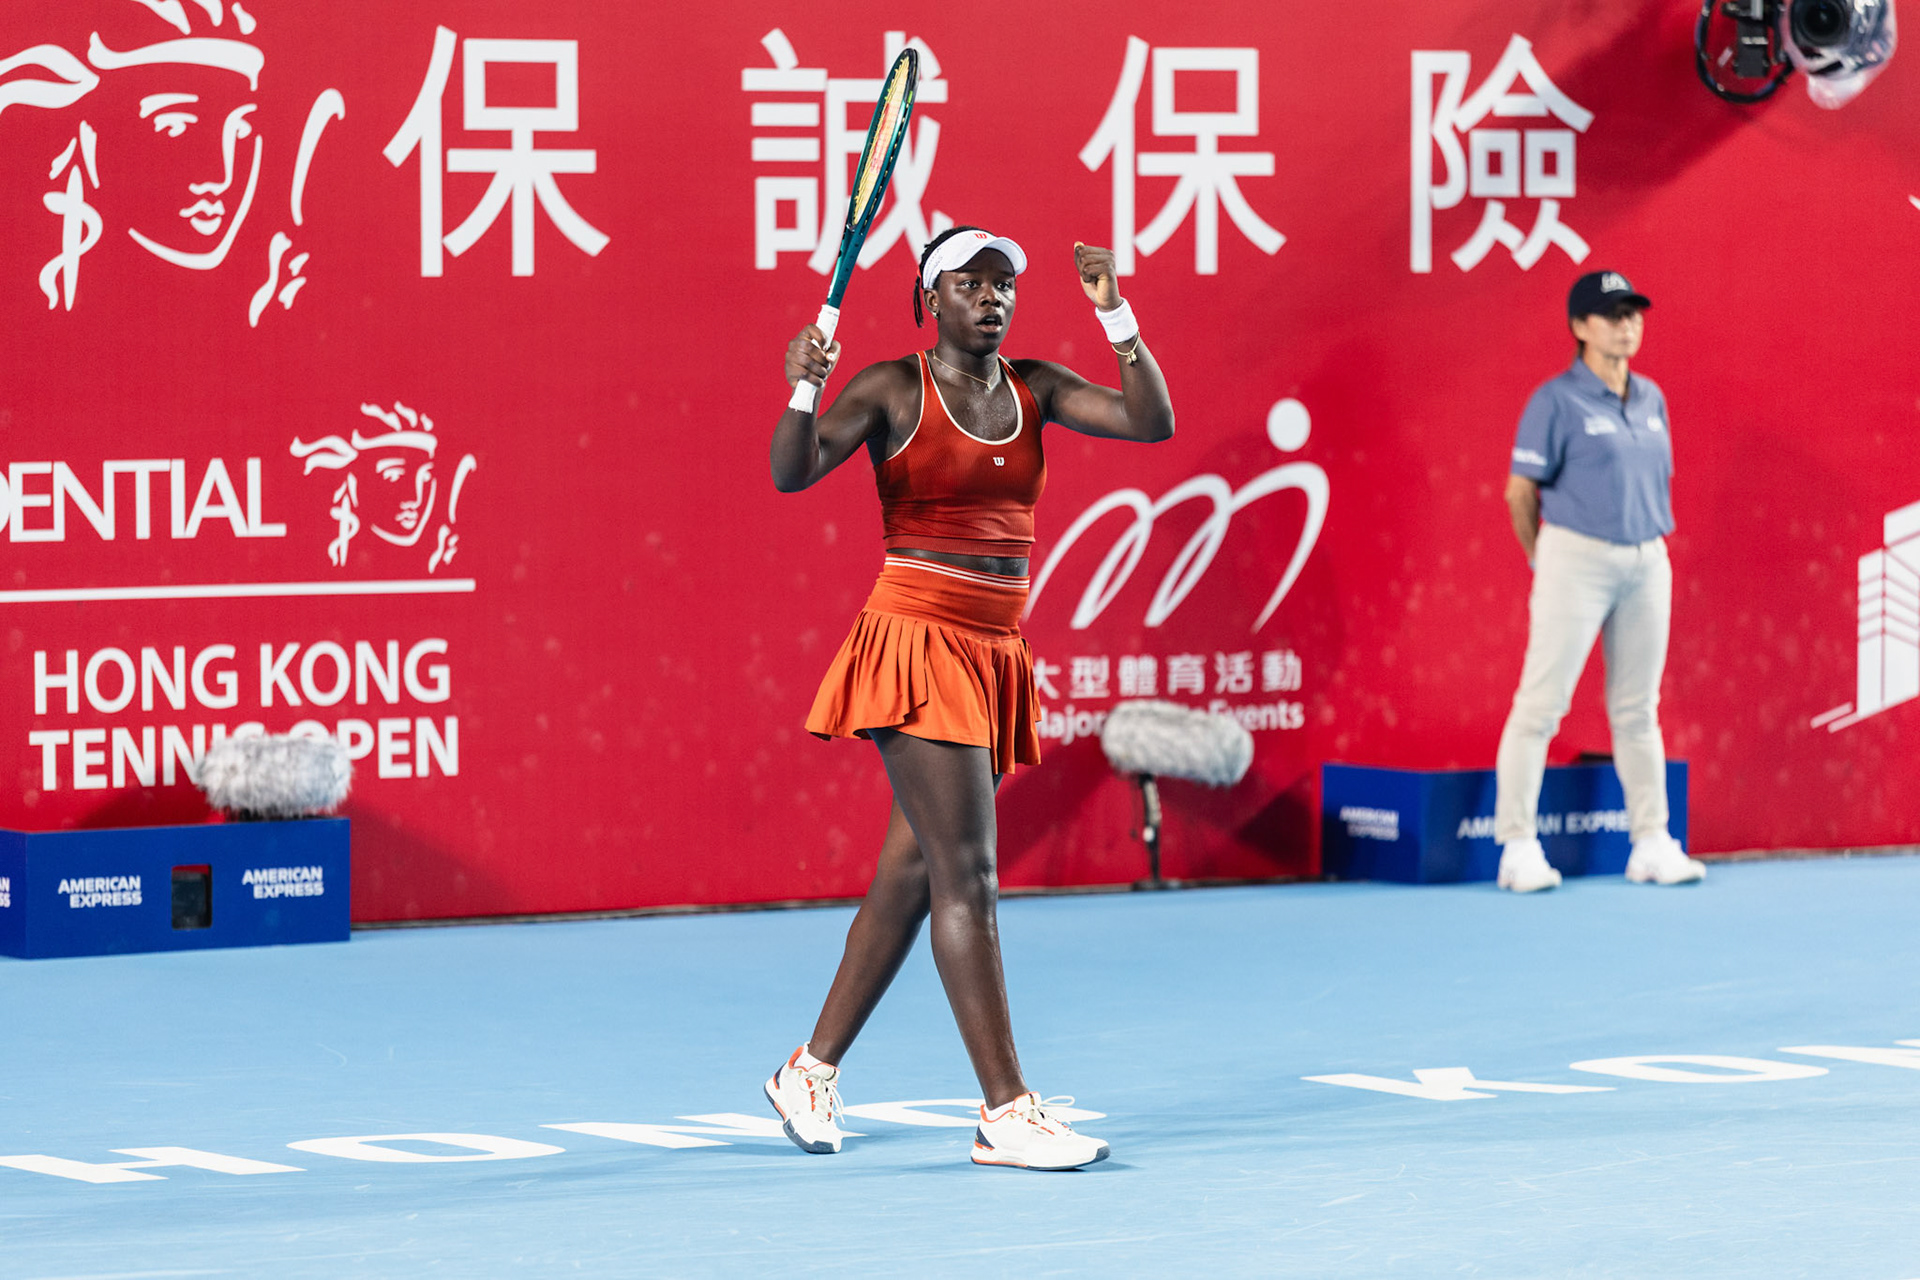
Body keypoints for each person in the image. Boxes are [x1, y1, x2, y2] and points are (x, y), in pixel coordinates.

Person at [763, 226, 1174, 1169]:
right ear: (929, 297)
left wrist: (1115, 310)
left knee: (915, 873)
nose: (993, 299)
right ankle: (1005, 1110)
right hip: (915, 643)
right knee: (971, 876)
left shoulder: (1036, 385)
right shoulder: (889, 389)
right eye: (972, 284)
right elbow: (791, 471)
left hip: (992, 649)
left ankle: (809, 1070)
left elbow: (1150, 422)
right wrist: (803, 383)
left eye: (1004, 286)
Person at [1494, 270, 1706, 893]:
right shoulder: (1554, 401)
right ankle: (1517, 847)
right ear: (1580, 328)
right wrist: (1548, 559)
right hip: (1575, 558)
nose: (1627, 324)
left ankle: (1651, 842)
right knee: (1541, 705)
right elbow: (1518, 493)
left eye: (1633, 312)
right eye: (1612, 315)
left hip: (1647, 560)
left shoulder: (1652, 398)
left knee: (1638, 709)